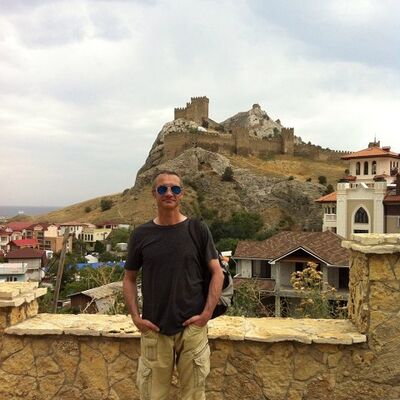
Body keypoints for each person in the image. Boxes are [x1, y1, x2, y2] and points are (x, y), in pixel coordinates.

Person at [123, 170, 224, 400]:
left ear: (182, 194)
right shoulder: (141, 234)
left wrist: (206, 315)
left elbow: (217, 273)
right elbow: (128, 279)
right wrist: (136, 318)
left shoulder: (197, 229)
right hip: (155, 330)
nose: (169, 193)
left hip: (192, 330)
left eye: (175, 189)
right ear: (154, 194)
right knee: (152, 396)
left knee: (193, 396)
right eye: (163, 189)